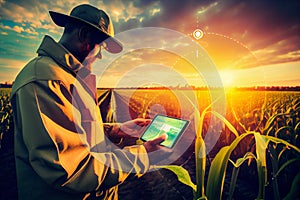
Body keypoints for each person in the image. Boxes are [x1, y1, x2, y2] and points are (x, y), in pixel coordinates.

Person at [10, 4, 167, 200]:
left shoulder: (70, 77)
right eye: (101, 47)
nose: (101, 55)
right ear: (84, 35)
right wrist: (142, 154)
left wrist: (114, 131)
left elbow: (75, 130)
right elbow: (72, 170)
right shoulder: (45, 80)